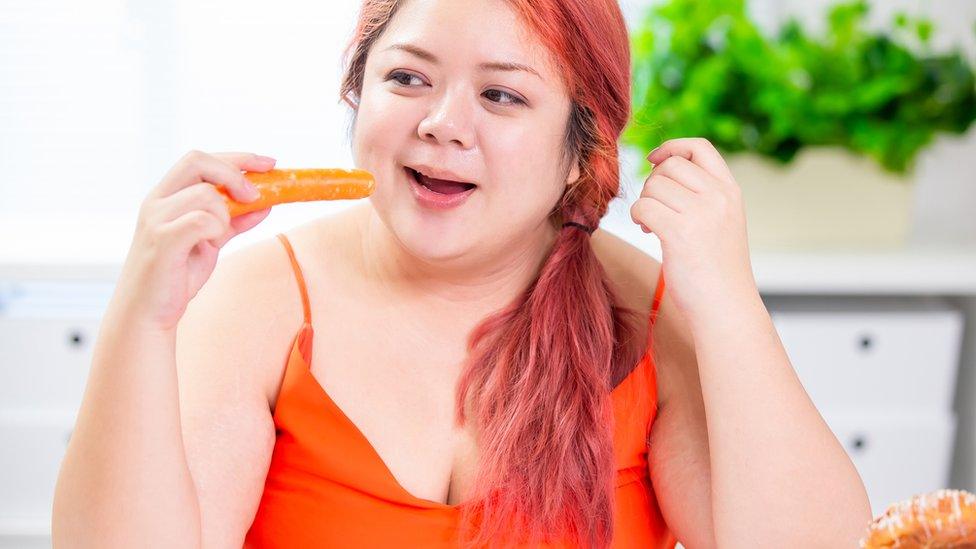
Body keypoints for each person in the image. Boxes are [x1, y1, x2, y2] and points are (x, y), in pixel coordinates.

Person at [52, 0, 874, 547]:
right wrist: (142, 318)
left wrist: (728, 299)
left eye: (503, 97)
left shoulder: (647, 313)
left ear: (578, 150)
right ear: (357, 98)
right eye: (407, 78)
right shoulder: (258, 303)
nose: (443, 124)